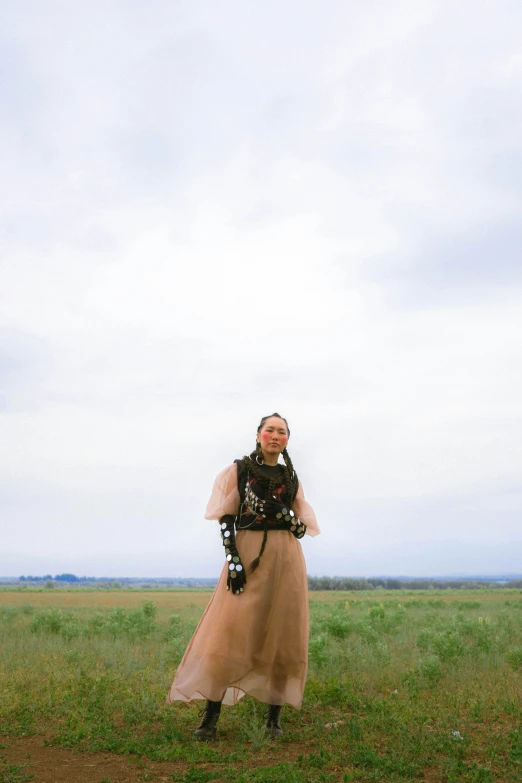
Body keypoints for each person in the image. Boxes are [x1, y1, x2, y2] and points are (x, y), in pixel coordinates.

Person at [167, 412, 320, 740]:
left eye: (281, 432)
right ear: (258, 435)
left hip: (287, 560)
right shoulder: (238, 471)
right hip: (249, 556)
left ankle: (273, 720)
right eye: (270, 430)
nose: (275, 436)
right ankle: (210, 717)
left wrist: (283, 513)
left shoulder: (291, 477)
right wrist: (233, 560)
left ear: (287, 440)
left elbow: (301, 529)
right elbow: (226, 517)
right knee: (230, 631)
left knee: (283, 632)